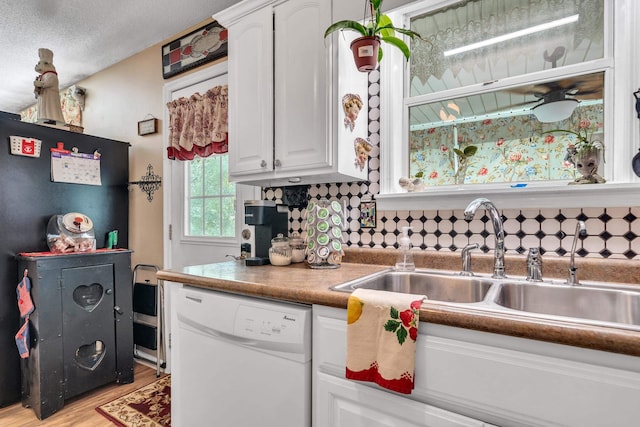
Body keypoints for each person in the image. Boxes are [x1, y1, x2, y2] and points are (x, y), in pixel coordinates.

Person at [33, 48, 65, 123]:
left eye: (39, 63)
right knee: (44, 108)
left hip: (50, 97)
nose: (37, 65)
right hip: (44, 97)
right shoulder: (43, 76)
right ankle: (44, 119)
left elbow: (49, 83)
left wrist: (40, 84)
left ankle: (51, 119)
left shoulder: (51, 75)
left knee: (50, 108)